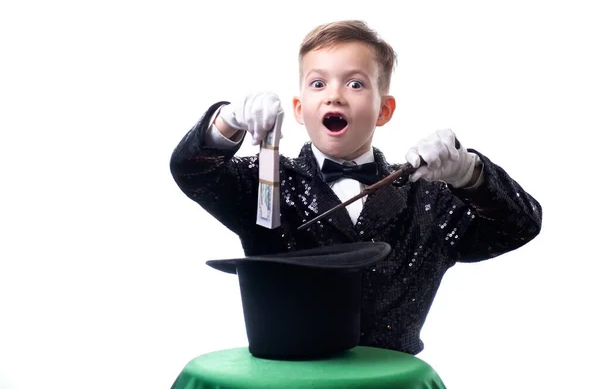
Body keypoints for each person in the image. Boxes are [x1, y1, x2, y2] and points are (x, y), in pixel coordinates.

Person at [170, 20, 542, 355]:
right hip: (288, 379)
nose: (334, 95)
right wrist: (228, 121)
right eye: (318, 83)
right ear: (299, 108)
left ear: (384, 110)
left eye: (355, 83)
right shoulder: (265, 182)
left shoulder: (427, 196)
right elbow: (191, 171)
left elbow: (521, 225)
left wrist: (469, 173)